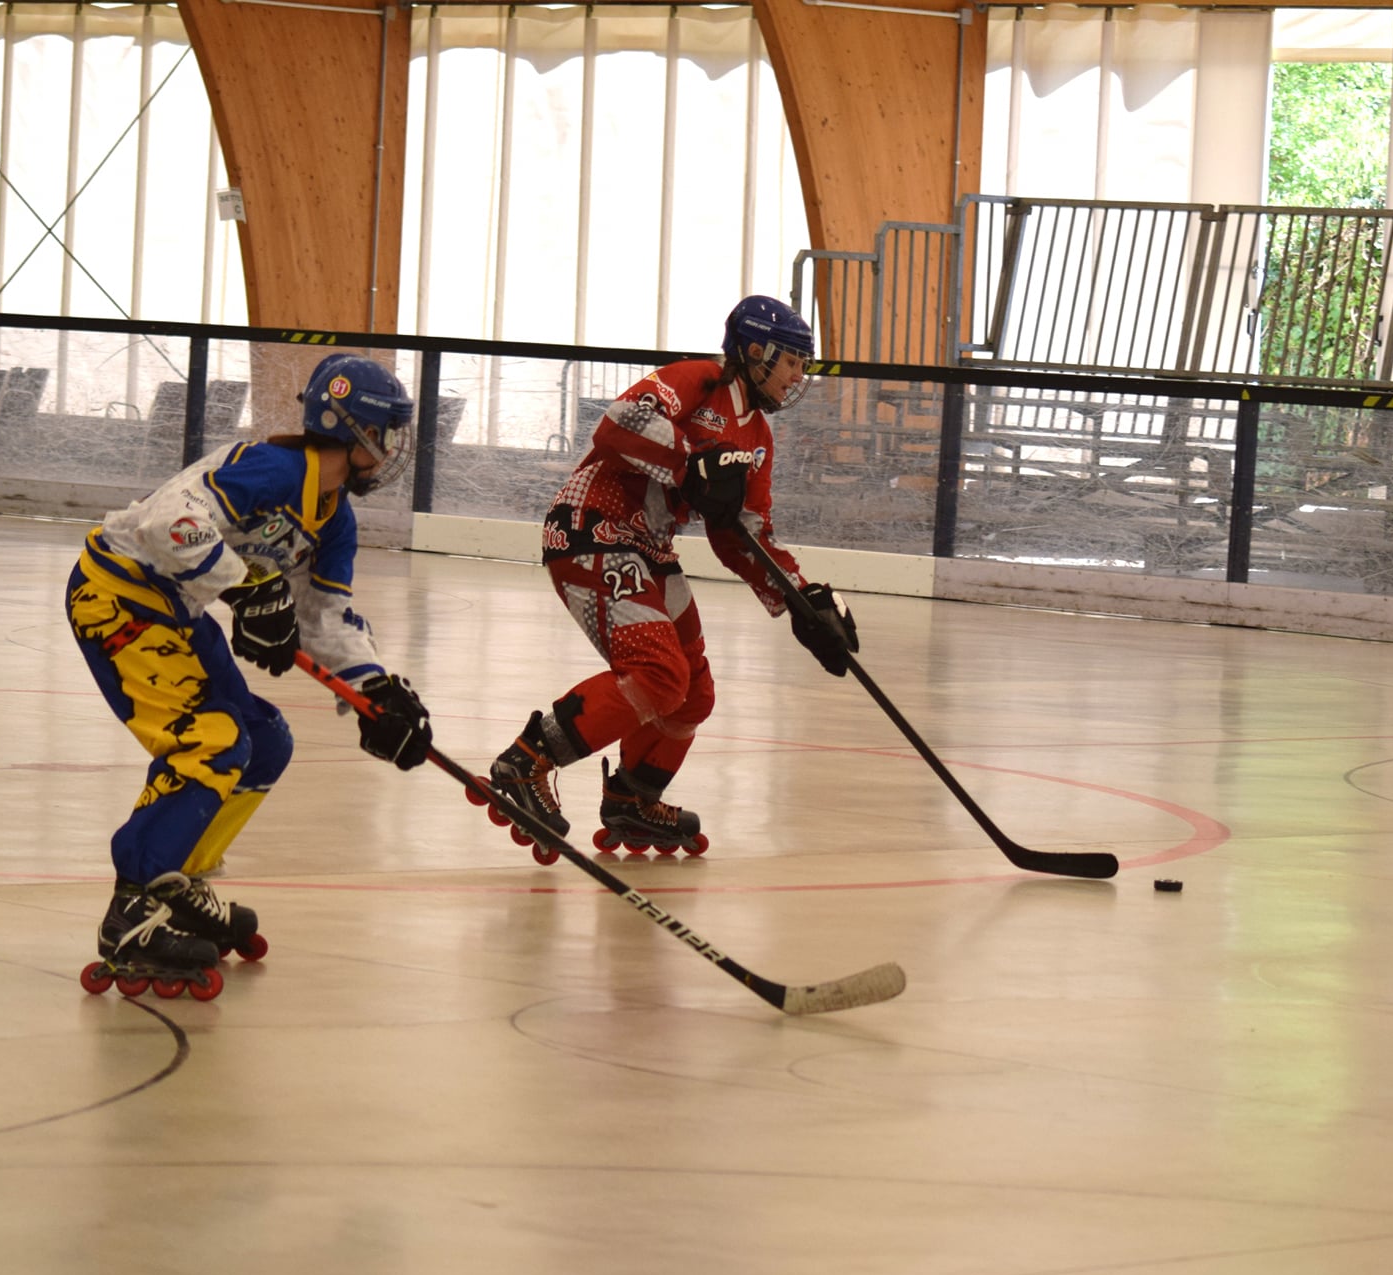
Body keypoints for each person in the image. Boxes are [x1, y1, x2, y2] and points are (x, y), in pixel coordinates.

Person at [66, 354, 435, 995]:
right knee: (211, 740)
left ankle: (178, 882)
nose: (395, 450)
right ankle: (134, 905)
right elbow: (166, 522)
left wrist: (374, 688)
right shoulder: (274, 468)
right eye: (390, 433)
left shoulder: (335, 518)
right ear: (358, 431)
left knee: (265, 741)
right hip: (118, 597)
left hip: (176, 609)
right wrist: (246, 588)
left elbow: (325, 613)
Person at [483, 295, 860, 858]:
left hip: (649, 548)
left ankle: (633, 798)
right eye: (792, 362)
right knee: (658, 674)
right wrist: (691, 462)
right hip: (593, 528)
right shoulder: (698, 380)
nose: (798, 376)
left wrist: (801, 600)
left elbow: (744, 534)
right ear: (756, 352)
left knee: (693, 693)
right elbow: (616, 426)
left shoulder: (758, 438)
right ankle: (527, 760)